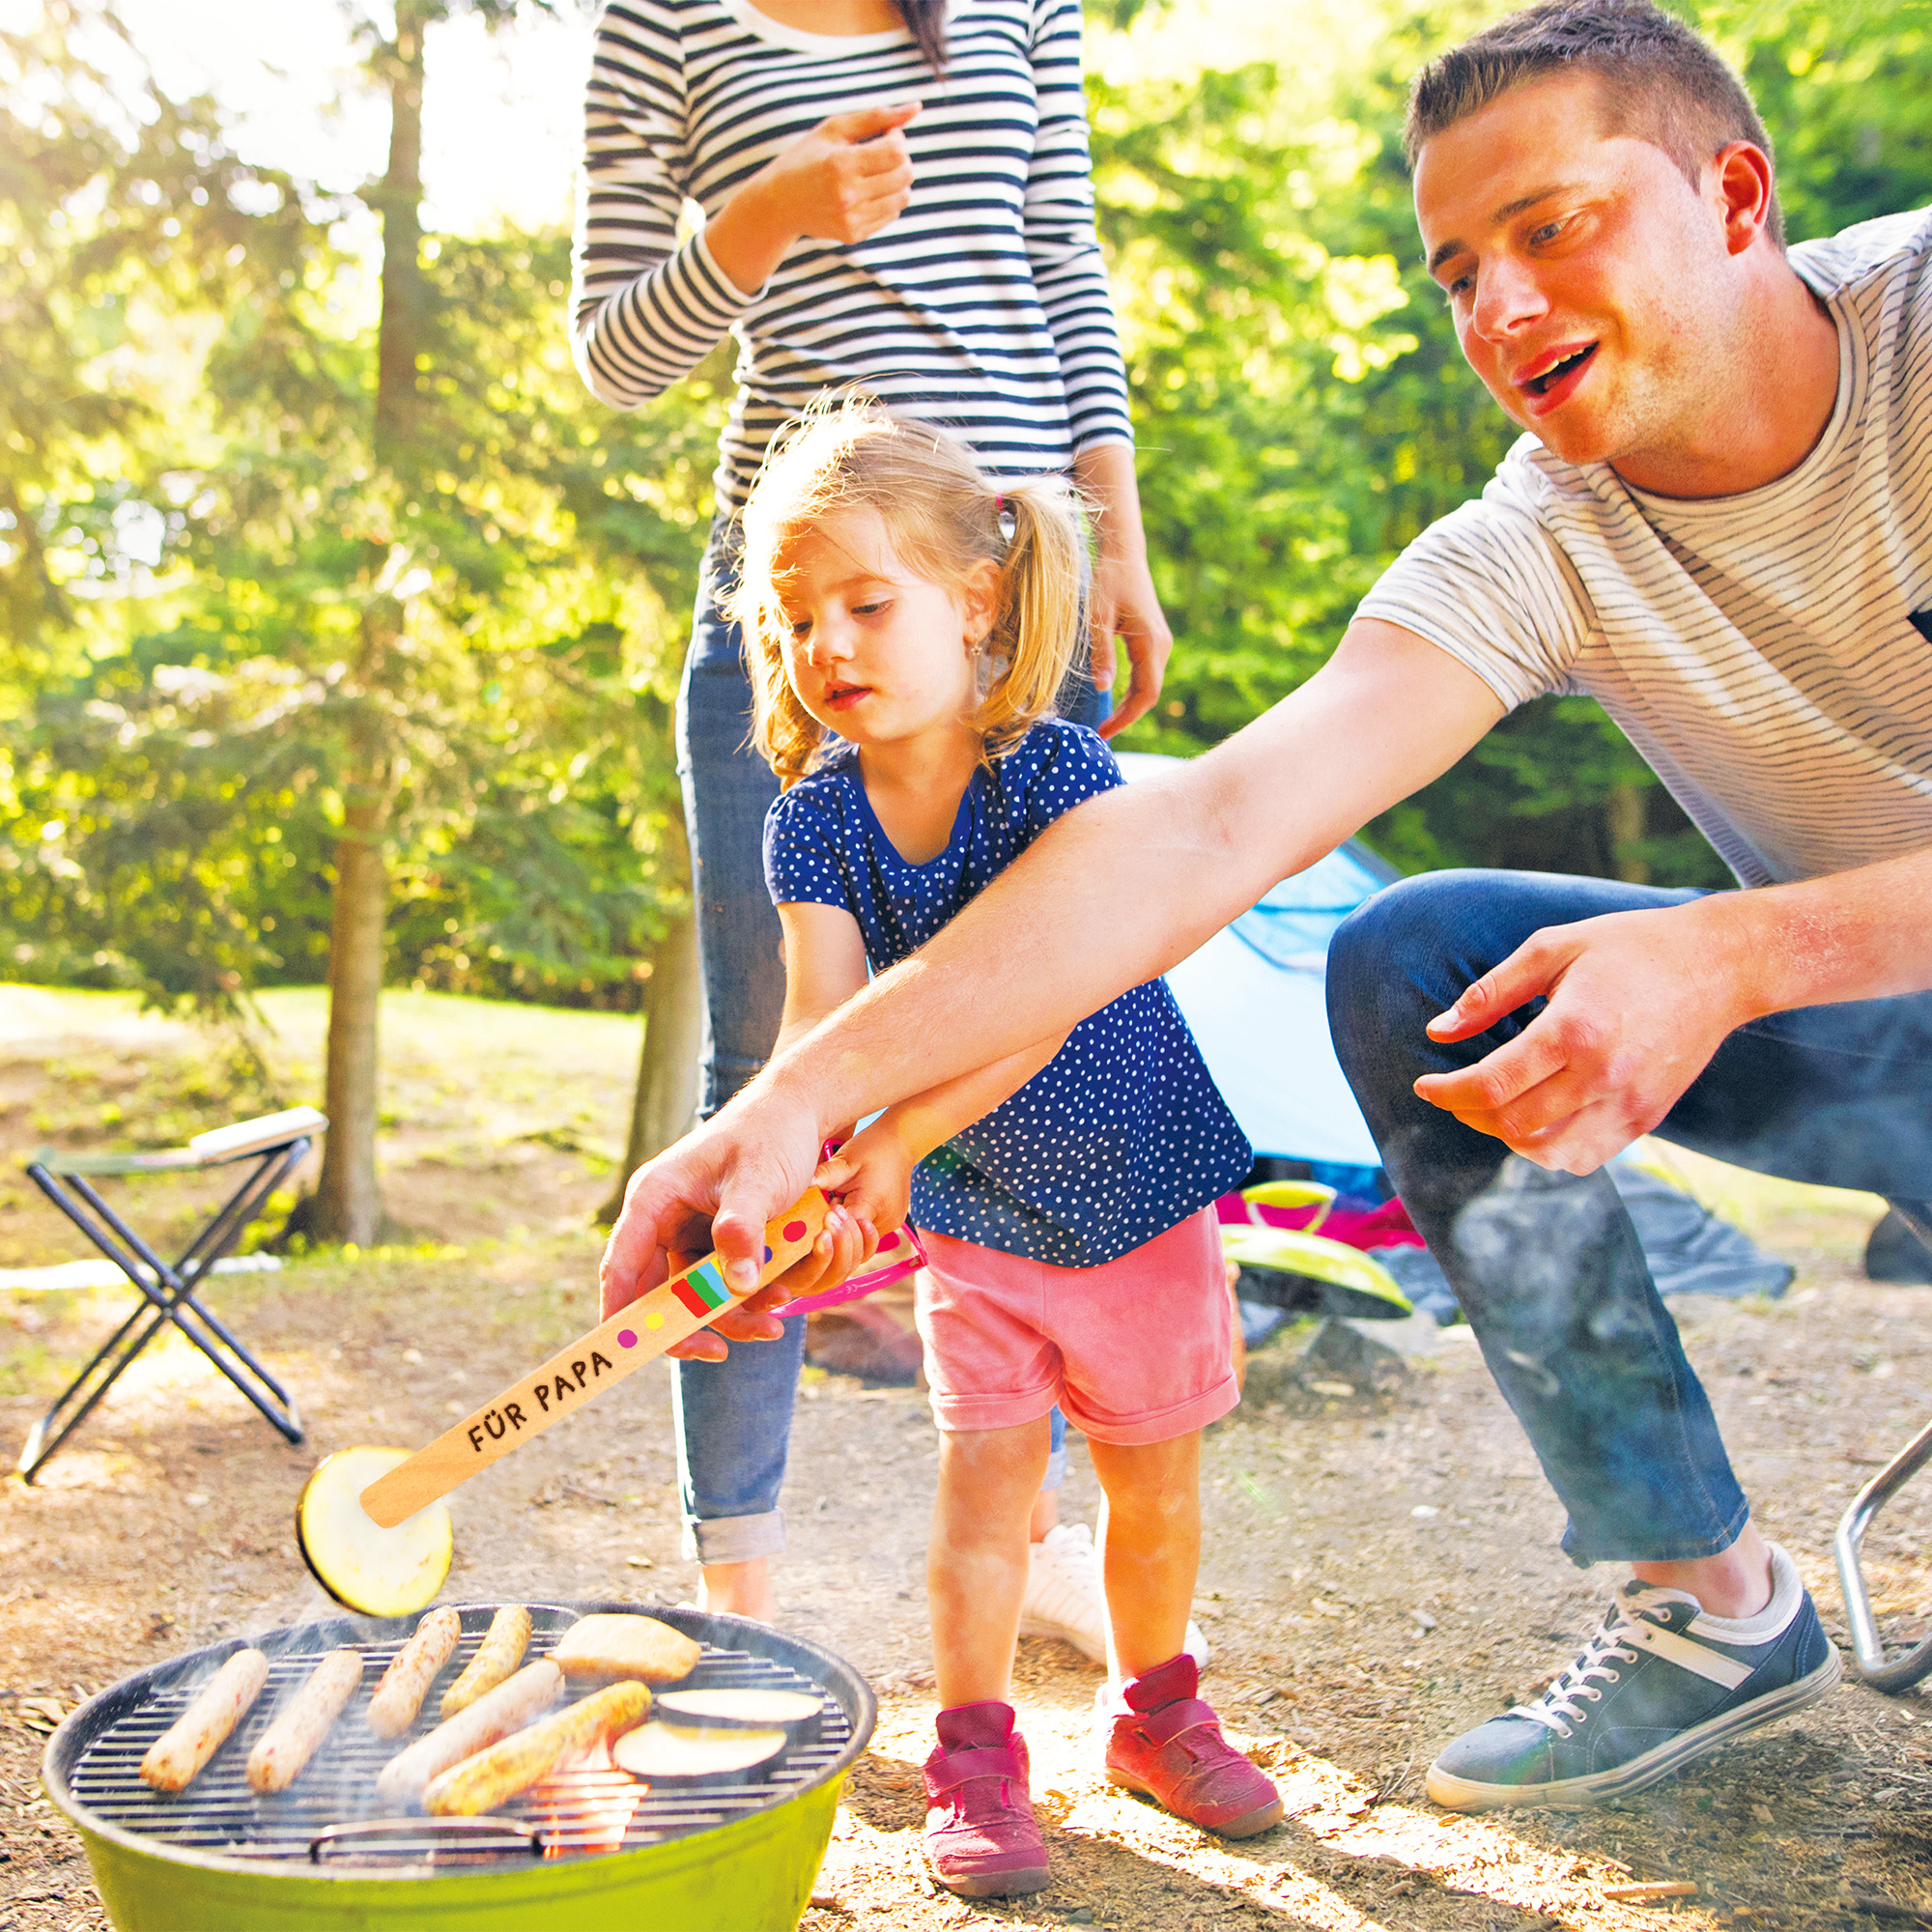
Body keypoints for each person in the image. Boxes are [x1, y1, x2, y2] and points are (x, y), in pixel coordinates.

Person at [599, 0, 1932, 1814]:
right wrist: (787, 1106)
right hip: (1892, 1044)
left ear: (1736, 195)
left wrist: (1728, 946)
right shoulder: (1542, 535)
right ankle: (1707, 1603)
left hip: (1831, 976)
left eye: (1553, 228)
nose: (1501, 313)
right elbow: (1206, 827)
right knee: (1417, 960)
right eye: (1458, 271)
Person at [569, 0, 1176, 1628]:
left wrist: (1112, 539)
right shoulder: (662, 23)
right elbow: (616, 349)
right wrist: (764, 214)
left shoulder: (1012, 9)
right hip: (797, 630)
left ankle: (1027, 1539)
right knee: (762, 1081)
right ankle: (736, 1600)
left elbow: (1068, 266)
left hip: (1001, 612)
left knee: (1033, 1047)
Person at [723, 401, 1279, 1893]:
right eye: (795, 616)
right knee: (984, 1491)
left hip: (1135, 1187)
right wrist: (790, 1169)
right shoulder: (814, 825)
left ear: (973, 600)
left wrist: (892, 1140)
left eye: (866, 602)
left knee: (1151, 1489)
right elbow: (819, 1028)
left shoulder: (1057, 775)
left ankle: (1157, 1714)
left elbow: (1042, 996)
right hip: (976, 1221)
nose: (827, 641)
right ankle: (975, 1749)